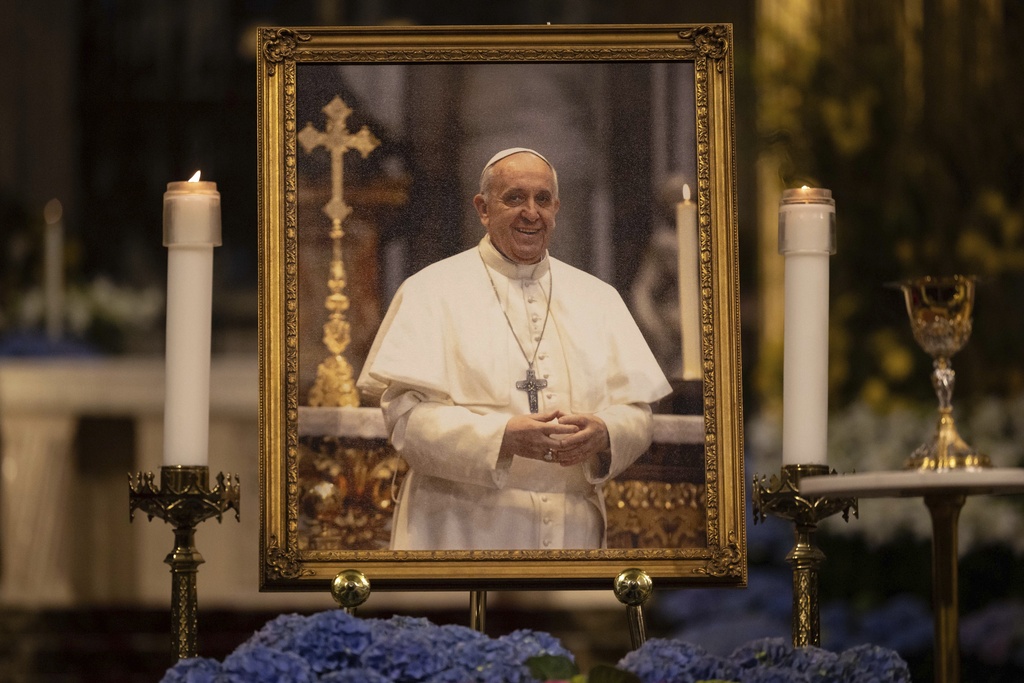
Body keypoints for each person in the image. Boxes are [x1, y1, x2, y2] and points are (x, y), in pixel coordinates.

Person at [357, 148, 671, 550]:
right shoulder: (430, 291)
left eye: (542, 199)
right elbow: (406, 421)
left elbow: (638, 414)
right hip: (458, 526)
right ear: (483, 208)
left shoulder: (599, 298)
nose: (531, 212)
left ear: (556, 208)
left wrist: (606, 432)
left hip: (571, 530)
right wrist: (502, 436)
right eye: (514, 198)